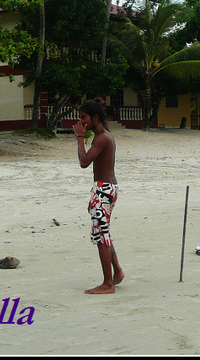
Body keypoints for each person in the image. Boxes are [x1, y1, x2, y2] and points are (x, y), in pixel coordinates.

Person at [73, 99, 124, 294]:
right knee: (105, 233)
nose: (81, 122)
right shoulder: (104, 136)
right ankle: (117, 272)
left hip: (103, 189)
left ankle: (108, 283)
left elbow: (84, 162)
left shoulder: (102, 137)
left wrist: (79, 137)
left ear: (95, 117)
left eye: (84, 118)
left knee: (101, 236)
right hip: (106, 188)